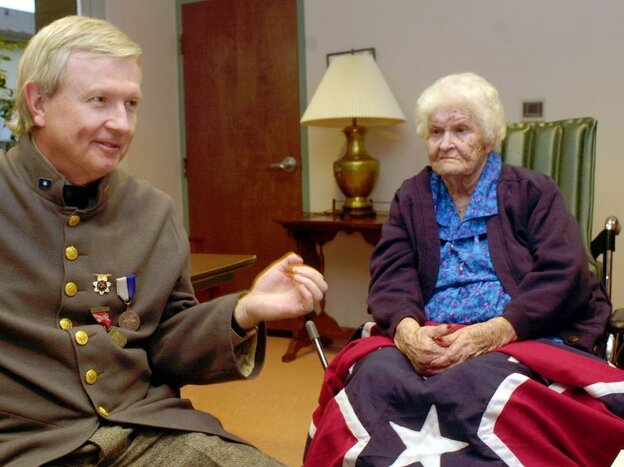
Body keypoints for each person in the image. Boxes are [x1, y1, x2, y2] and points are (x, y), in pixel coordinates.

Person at [0, 15, 327, 467]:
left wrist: (243, 311)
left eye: (131, 104)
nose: (121, 123)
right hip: (26, 446)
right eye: (99, 101)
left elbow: (167, 344)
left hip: (143, 431)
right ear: (38, 103)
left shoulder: (152, 211)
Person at [304, 73, 624, 466]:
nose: (445, 143)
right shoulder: (412, 197)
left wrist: (495, 331)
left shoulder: (532, 192)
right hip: (428, 334)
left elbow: (565, 273)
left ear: (488, 138)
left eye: (460, 130)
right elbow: (391, 274)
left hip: (516, 336)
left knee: (478, 383)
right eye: (435, 132)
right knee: (375, 375)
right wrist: (407, 332)